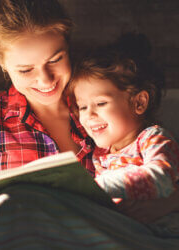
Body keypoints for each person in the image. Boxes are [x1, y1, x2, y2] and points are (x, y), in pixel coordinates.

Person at [0, 0, 179, 244]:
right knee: (18, 201)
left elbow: (158, 168)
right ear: (3, 65)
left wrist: (169, 203)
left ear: (69, 49)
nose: (46, 79)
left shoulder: (99, 107)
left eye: (55, 59)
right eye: (26, 69)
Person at [66, 33, 179, 235]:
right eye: (82, 107)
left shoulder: (153, 138)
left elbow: (161, 178)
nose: (89, 115)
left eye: (101, 103)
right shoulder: (99, 154)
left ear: (139, 103)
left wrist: (98, 186)